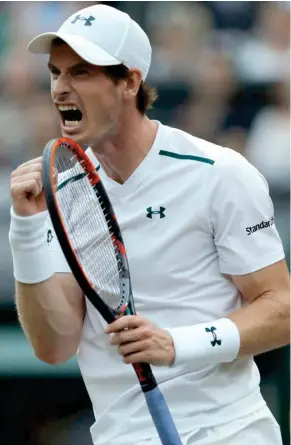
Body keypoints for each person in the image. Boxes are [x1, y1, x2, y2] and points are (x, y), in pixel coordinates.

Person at [9, 5, 290, 445]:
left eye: (81, 73)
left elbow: (282, 309)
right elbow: (54, 347)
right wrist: (24, 230)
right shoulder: (61, 195)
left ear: (130, 82)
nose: (61, 88)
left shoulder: (219, 172)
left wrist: (179, 345)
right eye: (55, 73)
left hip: (230, 432)